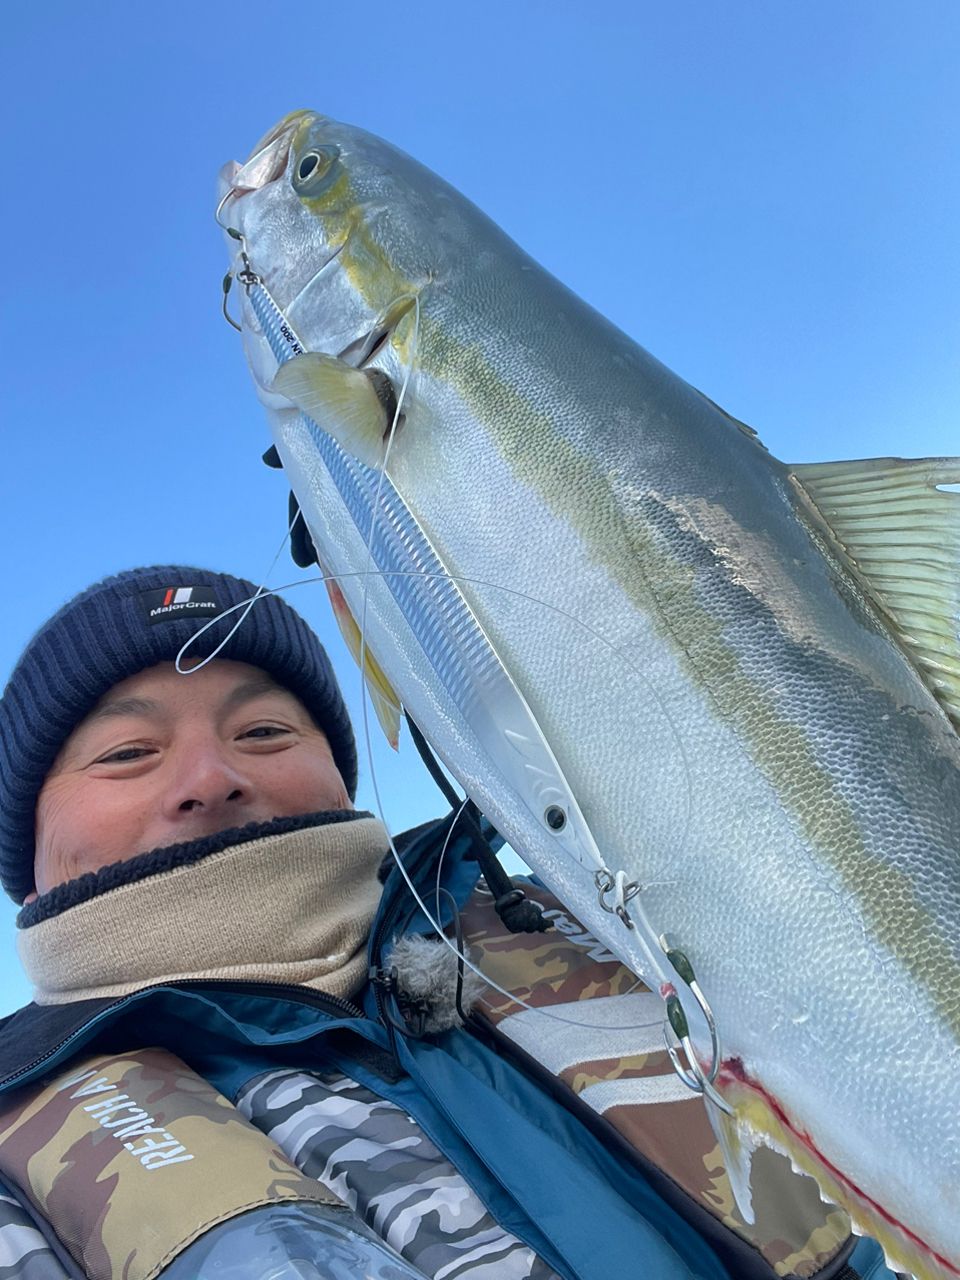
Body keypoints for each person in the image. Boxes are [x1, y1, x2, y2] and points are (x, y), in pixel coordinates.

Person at [0, 566, 896, 1280]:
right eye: (129, 753)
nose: (211, 776)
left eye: (266, 732)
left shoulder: (612, 914)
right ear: (27, 845)